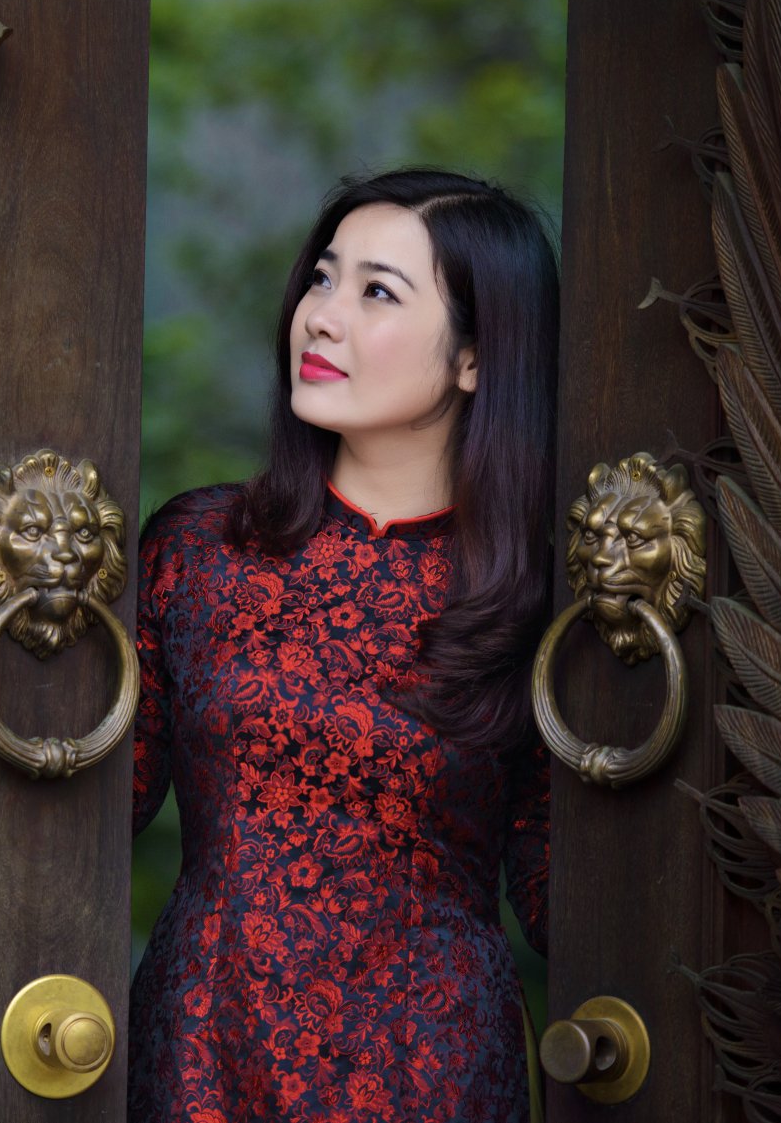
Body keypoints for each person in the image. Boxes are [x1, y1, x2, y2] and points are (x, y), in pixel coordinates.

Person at [129, 168, 556, 1122]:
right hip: (204, 1052)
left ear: (476, 357)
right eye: (322, 279)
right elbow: (72, 818)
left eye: (376, 292)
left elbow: (573, 892)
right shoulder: (200, 551)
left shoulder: (532, 600)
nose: (322, 316)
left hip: (430, 1068)